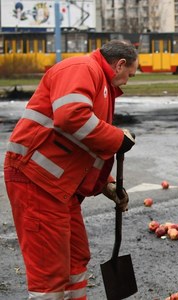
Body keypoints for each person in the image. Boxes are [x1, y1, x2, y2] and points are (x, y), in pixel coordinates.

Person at [3, 40, 138, 299]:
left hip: (59, 186)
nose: (127, 82)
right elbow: (71, 117)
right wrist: (117, 138)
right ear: (120, 64)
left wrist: (106, 184)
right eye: (129, 75)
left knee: (76, 257)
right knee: (49, 273)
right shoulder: (81, 68)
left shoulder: (99, 83)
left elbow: (83, 146)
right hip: (36, 181)